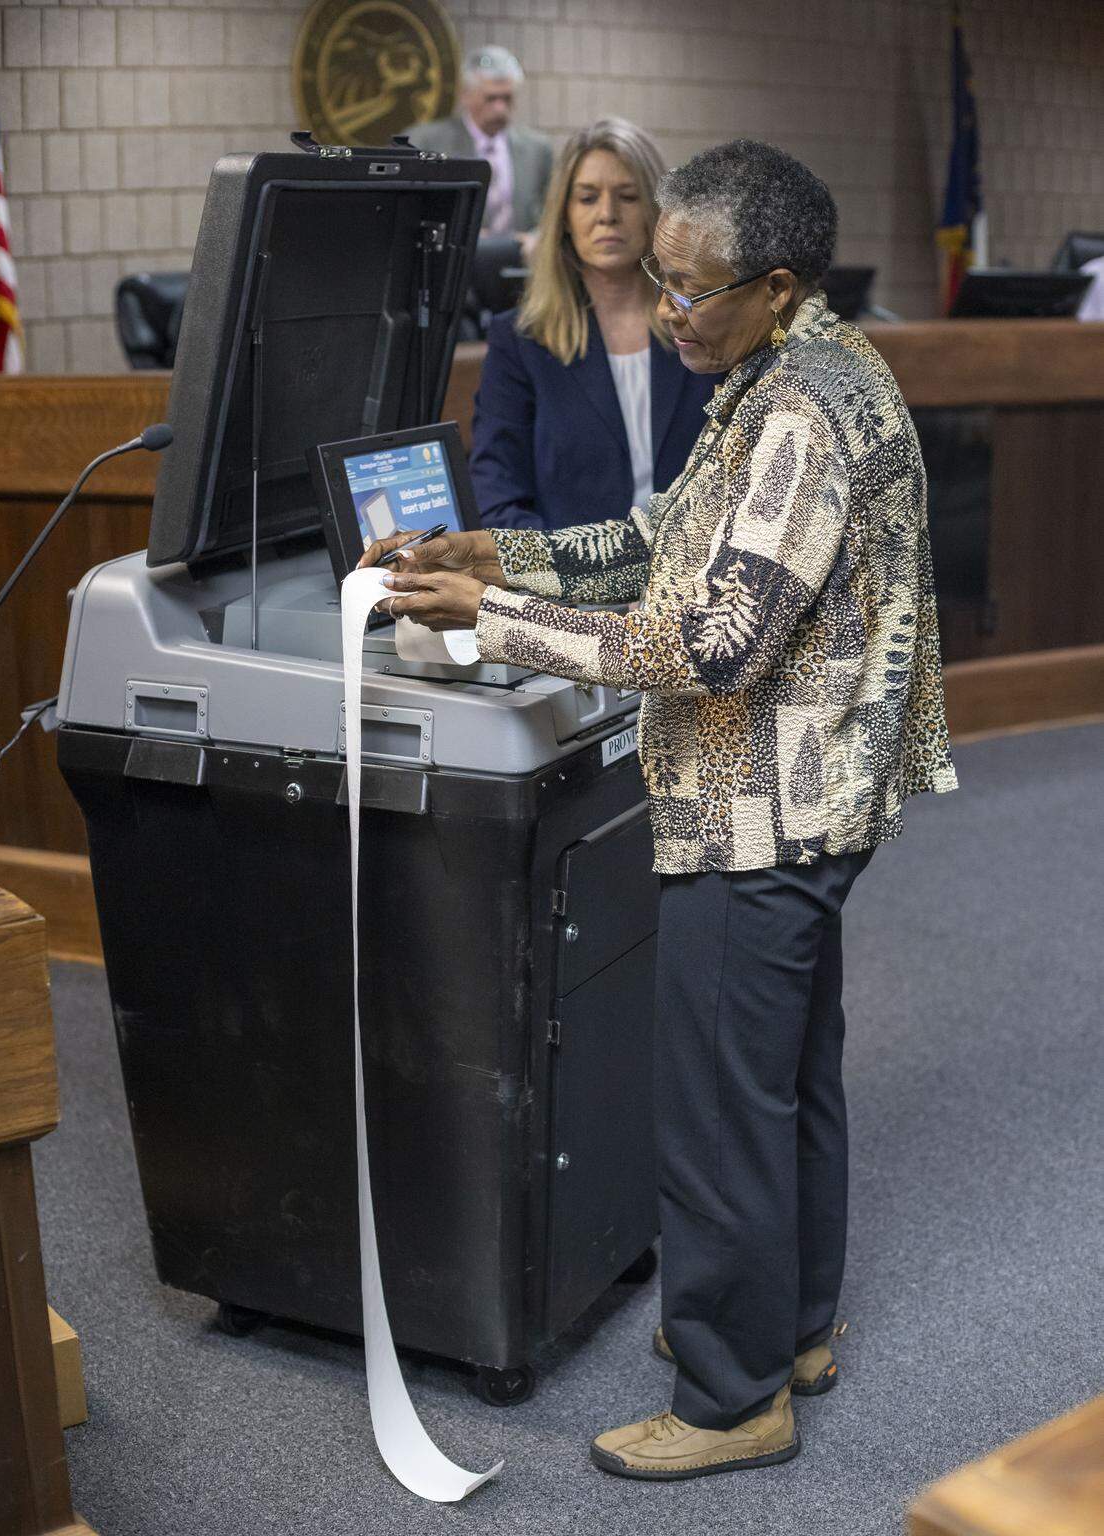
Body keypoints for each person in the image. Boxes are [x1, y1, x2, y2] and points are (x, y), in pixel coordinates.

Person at [364, 139, 957, 1481]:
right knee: (784, 1075)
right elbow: (655, 541)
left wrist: (497, 621)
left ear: (778, 282)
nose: (668, 305)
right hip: (813, 802)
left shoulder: (798, 414)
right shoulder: (790, 369)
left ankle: (732, 1398)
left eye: (692, 288)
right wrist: (495, 550)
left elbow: (713, 645)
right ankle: (789, 1328)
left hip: (765, 808)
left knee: (719, 1104)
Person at [470, 118, 719, 531]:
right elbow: (499, 502)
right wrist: (569, 581)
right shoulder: (519, 341)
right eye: (587, 198)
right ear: (564, 216)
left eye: (627, 196)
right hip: (570, 588)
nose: (607, 215)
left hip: (697, 578)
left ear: (657, 215)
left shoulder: (704, 328)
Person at [407, 46, 552, 252]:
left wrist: (536, 238)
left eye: (507, 98)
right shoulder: (428, 142)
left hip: (520, 262)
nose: (500, 108)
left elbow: (553, 211)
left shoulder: (537, 149)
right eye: (491, 99)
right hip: (455, 260)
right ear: (466, 95)